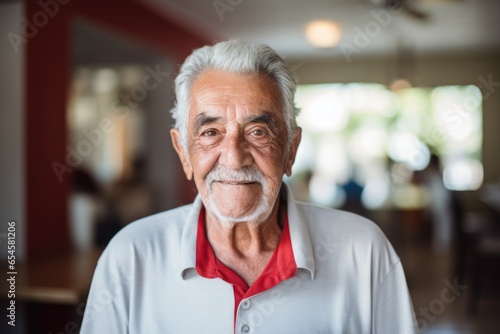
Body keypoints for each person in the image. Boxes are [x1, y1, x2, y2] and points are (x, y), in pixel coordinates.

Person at [81, 40, 417, 333]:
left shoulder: (364, 250)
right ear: (183, 152)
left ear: (291, 149)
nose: (234, 157)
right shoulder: (130, 255)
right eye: (210, 132)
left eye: (258, 132)